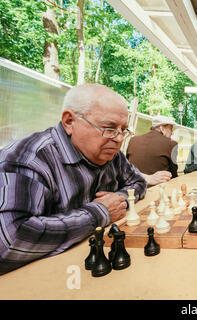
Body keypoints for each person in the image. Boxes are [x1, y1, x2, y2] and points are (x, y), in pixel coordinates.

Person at [0, 84, 147, 275]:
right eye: (109, 128)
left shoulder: (112, 154)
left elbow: (138, 182)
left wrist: (117, 200)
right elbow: (9, 240)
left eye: (123, 130)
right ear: (69, 121)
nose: (119, 139)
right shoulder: (29, 158)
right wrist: (99, 213)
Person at [126, 115, 178, 185]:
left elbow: (127, 165)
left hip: (131, 187)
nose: (172, 132)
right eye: (171, 129)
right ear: (162, 128)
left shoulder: (133, 140)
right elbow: (173, 175)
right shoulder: (172, 144)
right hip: (158, 189)